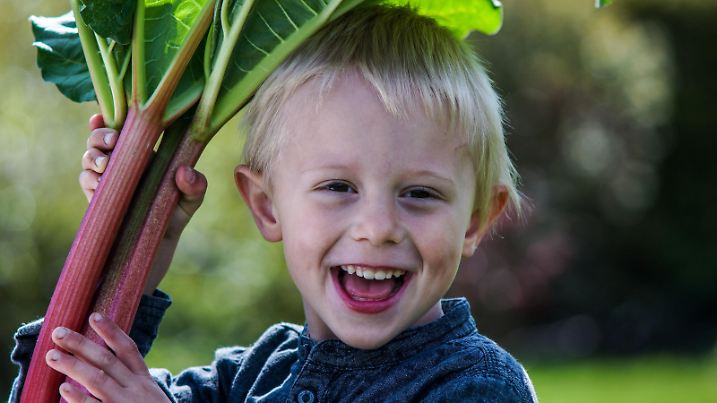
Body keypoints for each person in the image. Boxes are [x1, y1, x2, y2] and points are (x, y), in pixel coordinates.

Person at [10, 4, 538, 402]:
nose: (378, 228)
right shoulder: (248, 377)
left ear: (474, 220)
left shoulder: (476, 385)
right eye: (338, 187)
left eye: (420, 194)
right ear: (266, 205)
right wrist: (140, 242)